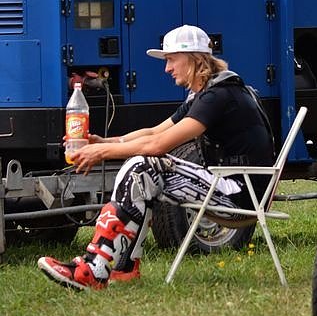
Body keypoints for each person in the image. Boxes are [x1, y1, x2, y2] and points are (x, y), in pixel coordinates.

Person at [38, 25, 275, 290]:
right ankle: (123, 266)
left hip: (238, 196)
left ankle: (93, 271)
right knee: (138, 167)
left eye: (171, 59)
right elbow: (154, 131)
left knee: (144, 169)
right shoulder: (210, 92)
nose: (167, 68)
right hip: (233, 186)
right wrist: (105, 141)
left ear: (195, 59)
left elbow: (158, 145)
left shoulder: (218, 96)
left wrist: (101, 153)